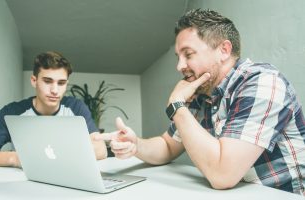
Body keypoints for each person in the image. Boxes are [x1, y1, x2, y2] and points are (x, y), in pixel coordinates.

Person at [96, 9, 305, 195]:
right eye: (178, 57)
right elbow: (168, 146)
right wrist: (137, 145)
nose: (180, 66)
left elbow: (223, 175)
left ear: (223, 50)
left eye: (188, 54)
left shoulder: (263, 82)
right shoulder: (202, 93)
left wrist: (177, 105)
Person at [0, 51, 107, 167]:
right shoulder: (12, 112)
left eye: (61, 83)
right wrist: (16, 159)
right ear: (34, 81)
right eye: (47, 81)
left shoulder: (76, 108)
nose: (54, 90)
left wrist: (52, 155)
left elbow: (101, 150)